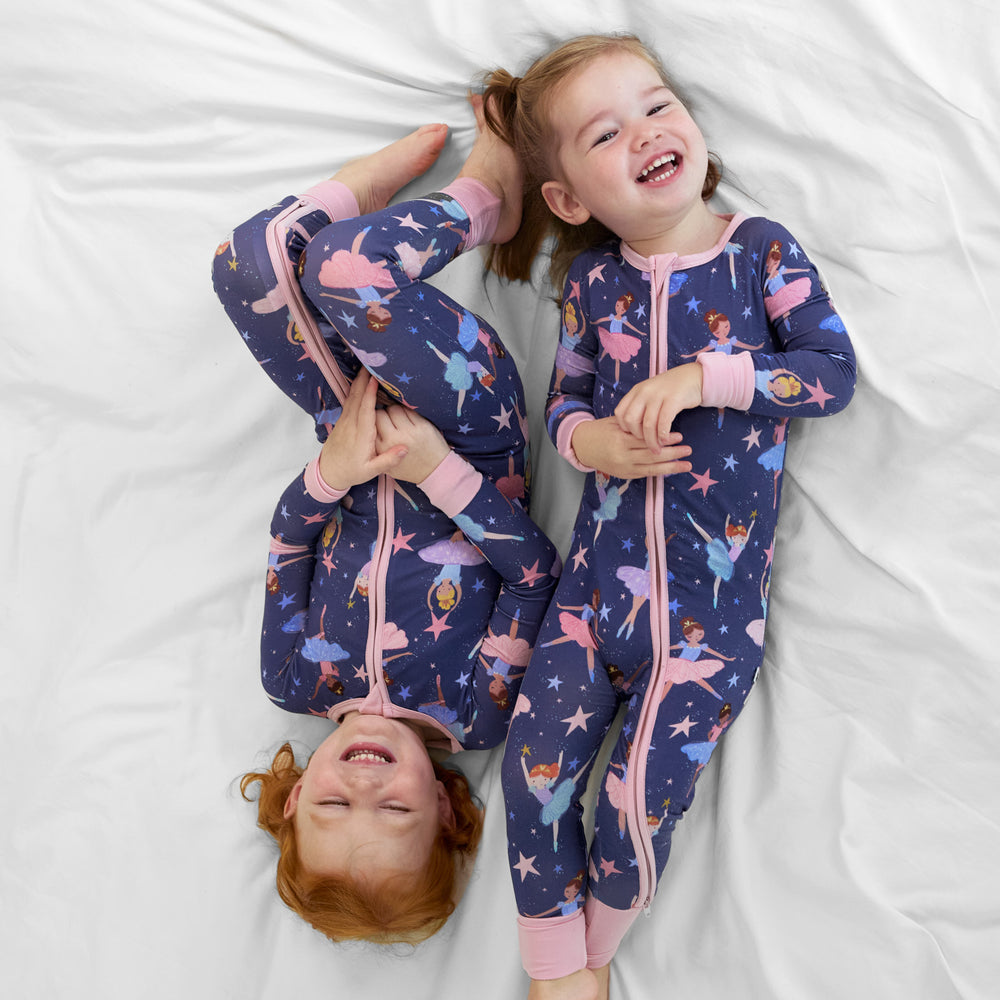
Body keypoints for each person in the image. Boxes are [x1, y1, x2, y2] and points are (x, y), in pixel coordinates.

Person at [480, 33, 857, 999]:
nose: (647, 133)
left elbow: (829, 375)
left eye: (656, 105)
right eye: (606, 133)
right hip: (591, 602)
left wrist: (710, 376)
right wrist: (590, 445)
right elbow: (562, 406)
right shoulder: (593, 288)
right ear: (570, 201)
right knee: (533, 777)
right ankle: (553, 962)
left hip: (706, 621)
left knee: (638, 802)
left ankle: (590, 955)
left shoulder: (756, 251)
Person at [212, 114, 560, 944]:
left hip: (348, 427)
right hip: (468, 428)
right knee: (345, 270)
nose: (365, 785)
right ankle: (485, 200)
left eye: (333, 805)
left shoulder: (293, 681)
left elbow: (288, 545)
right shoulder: (476, 712)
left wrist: (331, 472)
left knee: (244, 264)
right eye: (396, 808)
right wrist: (436, 465)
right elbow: (534, 576)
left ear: (295, 798)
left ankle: (362, 197)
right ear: (445, 808)